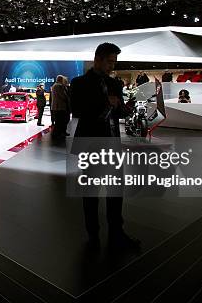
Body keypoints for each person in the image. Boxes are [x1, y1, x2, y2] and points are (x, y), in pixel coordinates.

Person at [71, 42, 138, 249]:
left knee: (115, 193)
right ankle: (93, 236)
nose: (112, 66)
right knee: (90, 194)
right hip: (91, 145)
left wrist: (124, 109)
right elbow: (78, 111)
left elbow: (116, 114)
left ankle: (117, 233)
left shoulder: (115, 84)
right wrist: (105, 103)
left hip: (112, 145)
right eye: (109, 62)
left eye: (114, 62)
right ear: (97, 59)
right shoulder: (79, 82)